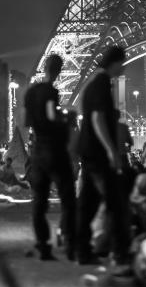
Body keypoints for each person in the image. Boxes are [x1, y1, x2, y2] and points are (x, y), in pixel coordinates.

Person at [75, 45, 131, 267]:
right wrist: (111, 150)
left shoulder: (92, 83)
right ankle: (120, 253)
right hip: (98, 153)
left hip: (89, 150)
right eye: (122, 63)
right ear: (114, 63)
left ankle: (82, 250)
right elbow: (97, 118)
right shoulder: (100, 83)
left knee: (88, 203)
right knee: (116, 202)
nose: (123, 68)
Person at [23, 54, 74, 260]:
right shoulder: (50, 91)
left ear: (44, 67)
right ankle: (69, 240)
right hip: (54, 149)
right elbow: (52, 115)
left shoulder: (31, 92)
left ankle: (42, 245)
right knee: (68, 197)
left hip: (38, 150)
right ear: (58, 70)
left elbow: (27, 121)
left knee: (40, 200)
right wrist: (66, 119)